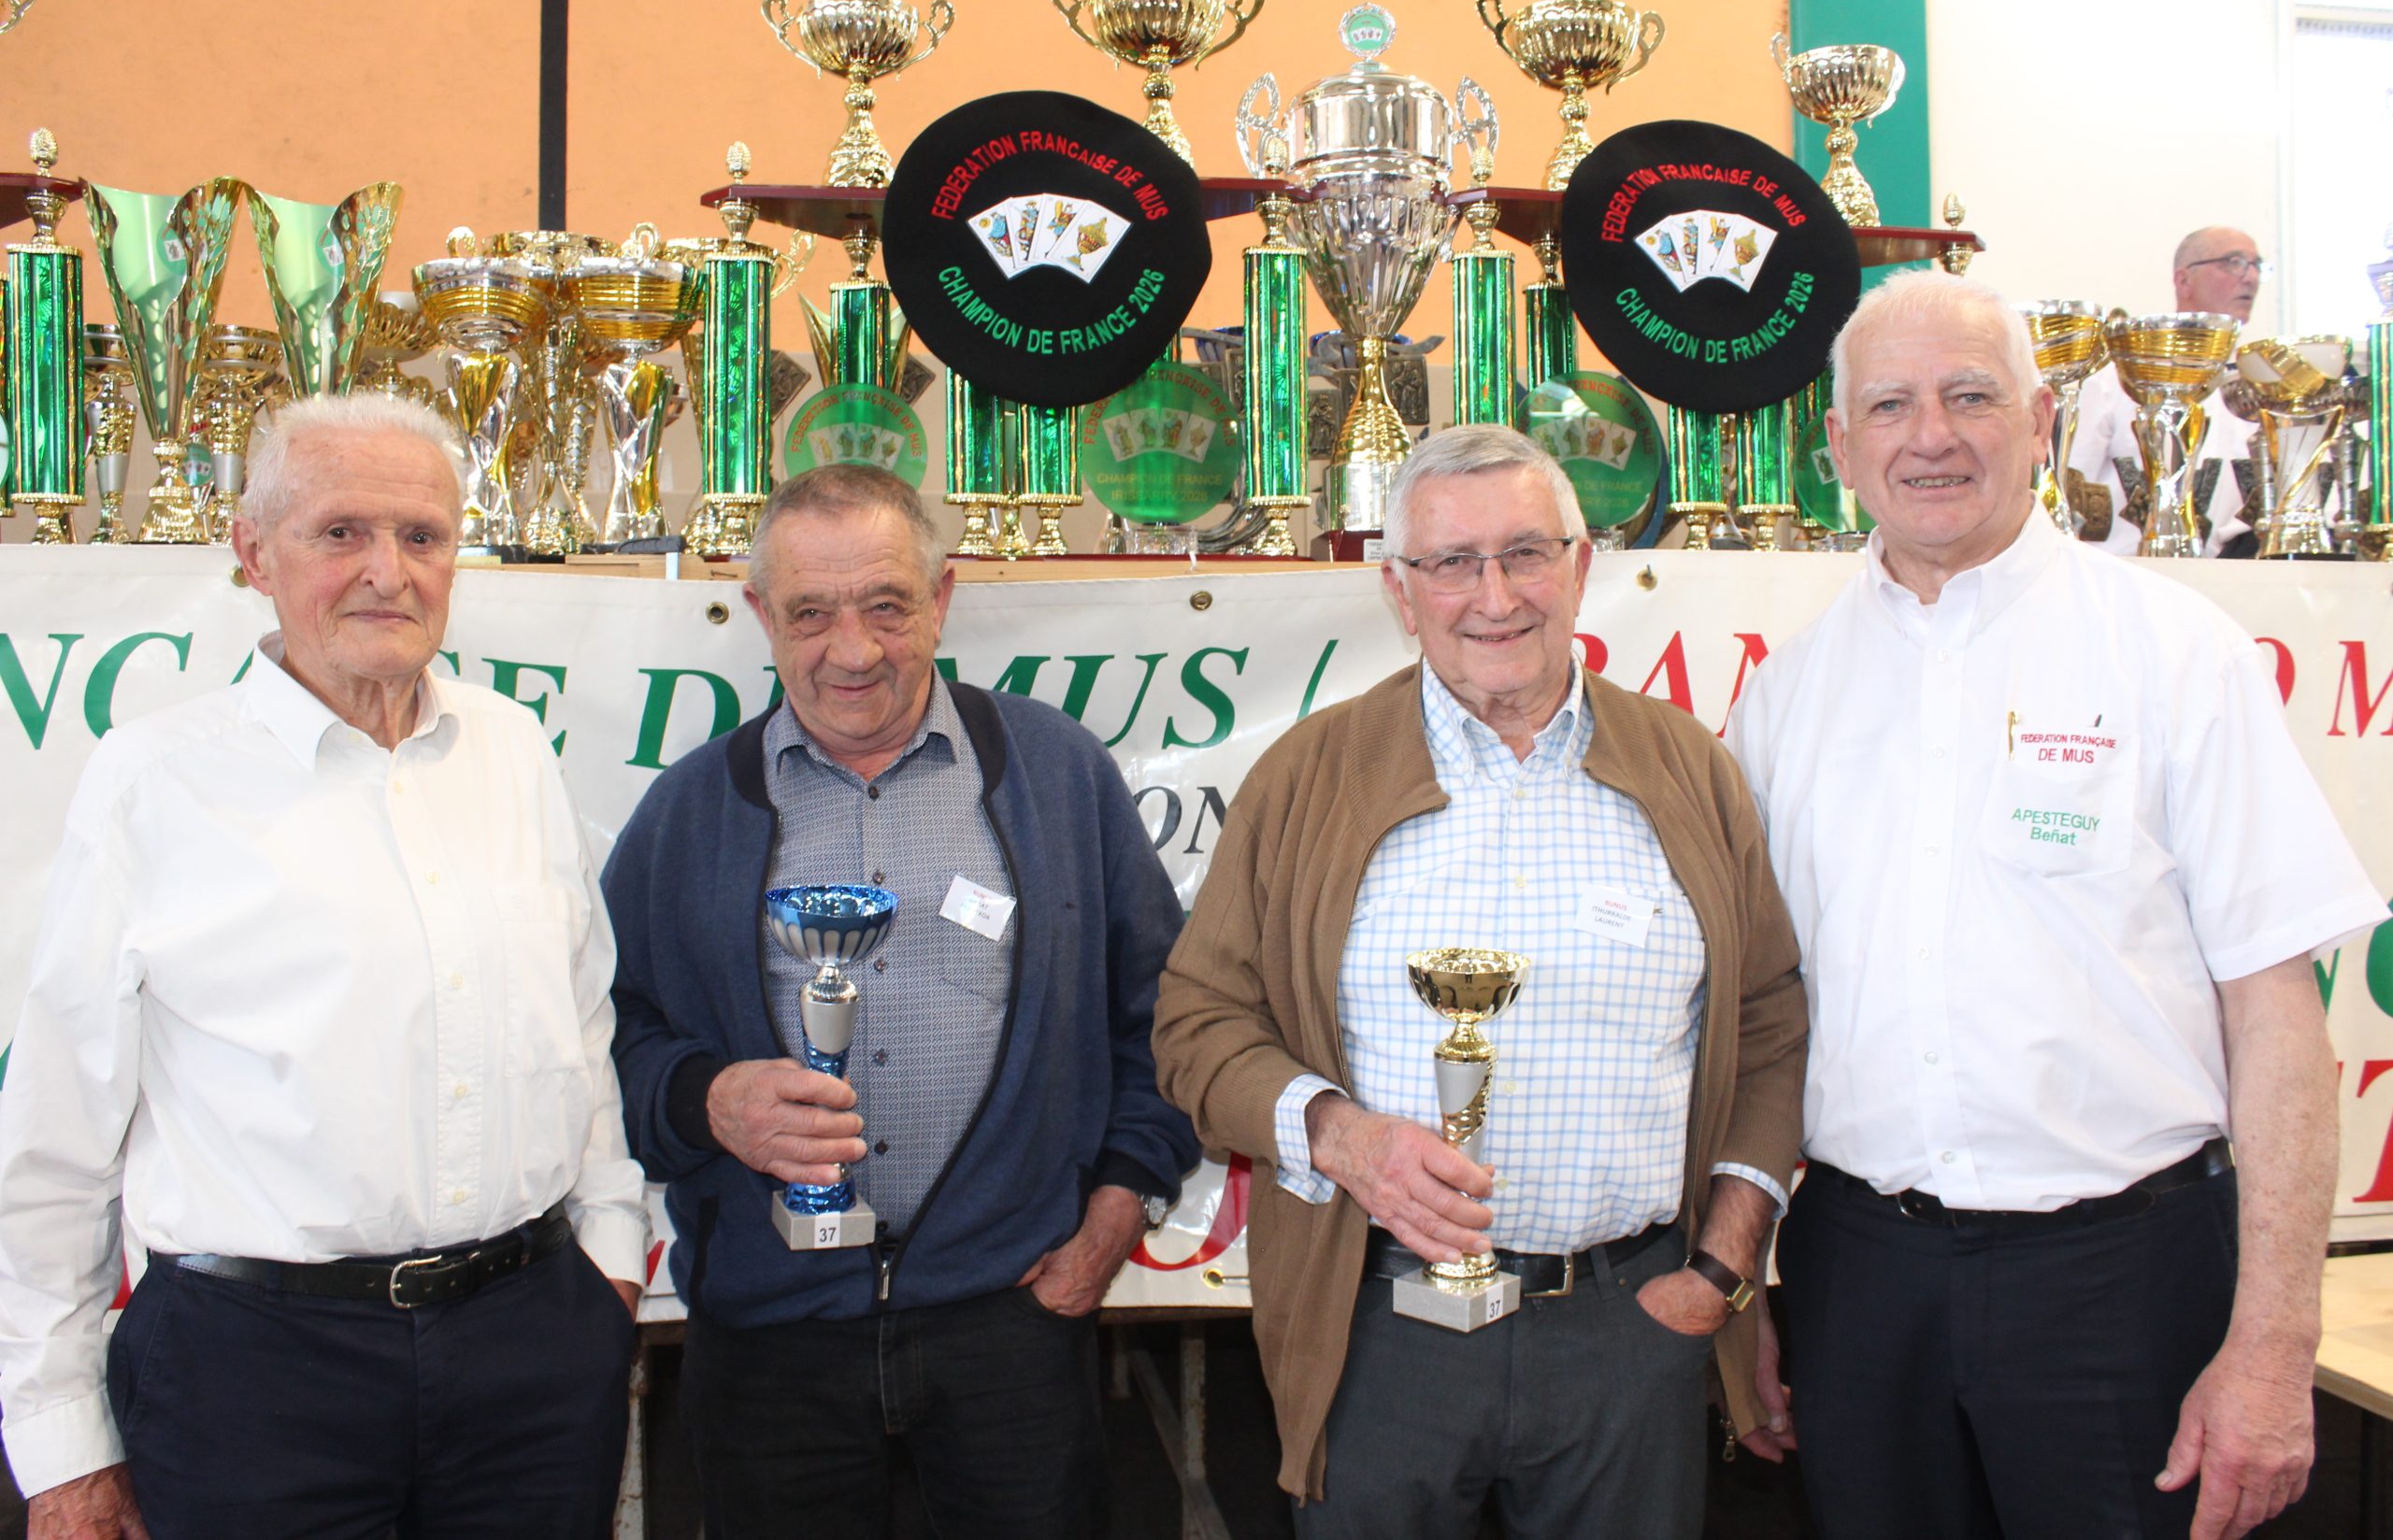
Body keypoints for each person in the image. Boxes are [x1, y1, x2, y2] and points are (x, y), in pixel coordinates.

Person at [1726, 269, 2380, 1540]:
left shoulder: (2176, 653)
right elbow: (1760, 1025)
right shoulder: (1784, 698)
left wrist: (2272, 1344)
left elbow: (2277, 1016)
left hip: (2124, 1284)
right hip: (1861, 1284)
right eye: (1891, 405)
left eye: (1970, 396)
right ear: (1839, 448)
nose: (1931, 436)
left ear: (2038, 423)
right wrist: (1745, 1286)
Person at [0, 394, 647, 1539]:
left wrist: (607, 1255)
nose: (387, 572)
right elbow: (57, 1138)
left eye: (421, 535)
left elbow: (579, 1025)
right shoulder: (153, 784)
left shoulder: (510, 749)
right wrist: (61, 1453)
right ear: (254, 553)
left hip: (532, 1359)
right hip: (253, 1379)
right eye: (341, 532)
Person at [1151, 425, 1810, 1536]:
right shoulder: (1307, 777)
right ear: (1399, 592)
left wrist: (1720, 1265)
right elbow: (1197, 1022)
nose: (1494, 597)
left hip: (1629, 1326)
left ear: (1580, 567)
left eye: (1525, 554)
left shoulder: (1688, 769)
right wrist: (1339, 1136)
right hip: (1376, 1336)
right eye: (1452, 563)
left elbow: (1768, 1022)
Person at [604, 466, 1198, 1539]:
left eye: (885, 606)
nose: (853, 650)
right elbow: (607, 1036)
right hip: (770, 1338)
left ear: (942, 598)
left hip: (1012, 1321)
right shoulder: (689, 811)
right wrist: (706, 1101)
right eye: (811, 614)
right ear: (760, 616)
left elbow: (1167, 1017)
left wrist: (1119, 1209)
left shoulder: (1056, 775)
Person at [2071, 226, 2266, 555]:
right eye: (2234, 263)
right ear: (2183, 279)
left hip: (2234, 569)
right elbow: (2073, 486)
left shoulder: (2253, 382)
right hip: (2129, 567)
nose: (2251, 278)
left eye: (2257, 265)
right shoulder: (2117, 377)